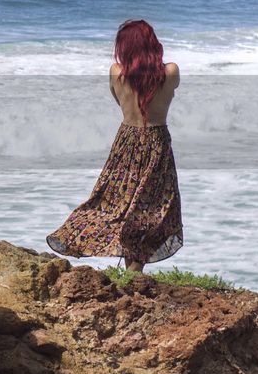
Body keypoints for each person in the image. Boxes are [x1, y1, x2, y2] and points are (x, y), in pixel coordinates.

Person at [46, 19, 183, 271]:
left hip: (126, 142)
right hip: (156, 143)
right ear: (152, 43)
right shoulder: (170, 71)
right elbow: (169, 89)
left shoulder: (116, 73)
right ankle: (134, 273)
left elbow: (118, 101)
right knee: (150, 208)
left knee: (112, 203)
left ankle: (126, 269)